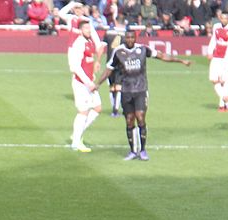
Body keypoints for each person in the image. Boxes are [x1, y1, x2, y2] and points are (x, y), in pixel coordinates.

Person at [95, 29, 191, 161]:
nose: (129, 40)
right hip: (126, 91)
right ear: (125, 39)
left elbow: (162, 56)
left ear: (135, 38)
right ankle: (133, 151)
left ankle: (143, 150)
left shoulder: (143, 49)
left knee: (140, 118)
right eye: (127, 38)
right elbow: (108, 70)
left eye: (132, 38)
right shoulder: (118, 52)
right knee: (129, 120)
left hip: (141, 89)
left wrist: (180, 61)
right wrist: (98, 84)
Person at [68, 19, 103, 152]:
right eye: (87, 29)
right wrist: (88, 82)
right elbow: (75, 66)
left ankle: (76, 134)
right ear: (81, 30)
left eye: (90, 28)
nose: (89, 30)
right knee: (83, 112)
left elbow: (87, 62)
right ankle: (76, 143)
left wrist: (92, 74)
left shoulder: (89, 42)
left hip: (89, 82)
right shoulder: (79, 43)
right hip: (81, 84)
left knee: (97, 108)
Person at [207, 11, 228, 112]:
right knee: (214, 80)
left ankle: (222, 105)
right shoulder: (216, 27)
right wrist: (210, 51)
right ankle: (226, 98)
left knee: (223, 81)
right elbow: (213, 40)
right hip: (217, 56)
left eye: (225, 18)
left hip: (226, 58)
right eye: (222, 18)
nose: (223, 20)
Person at [102, 18, 126, 117]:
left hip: (109, 63)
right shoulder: (125, 34)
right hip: (120, 63)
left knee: (112, 87)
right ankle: (115, 110)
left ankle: (114, 108)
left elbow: (102, 45)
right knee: (119, 87)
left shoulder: (108, 33)